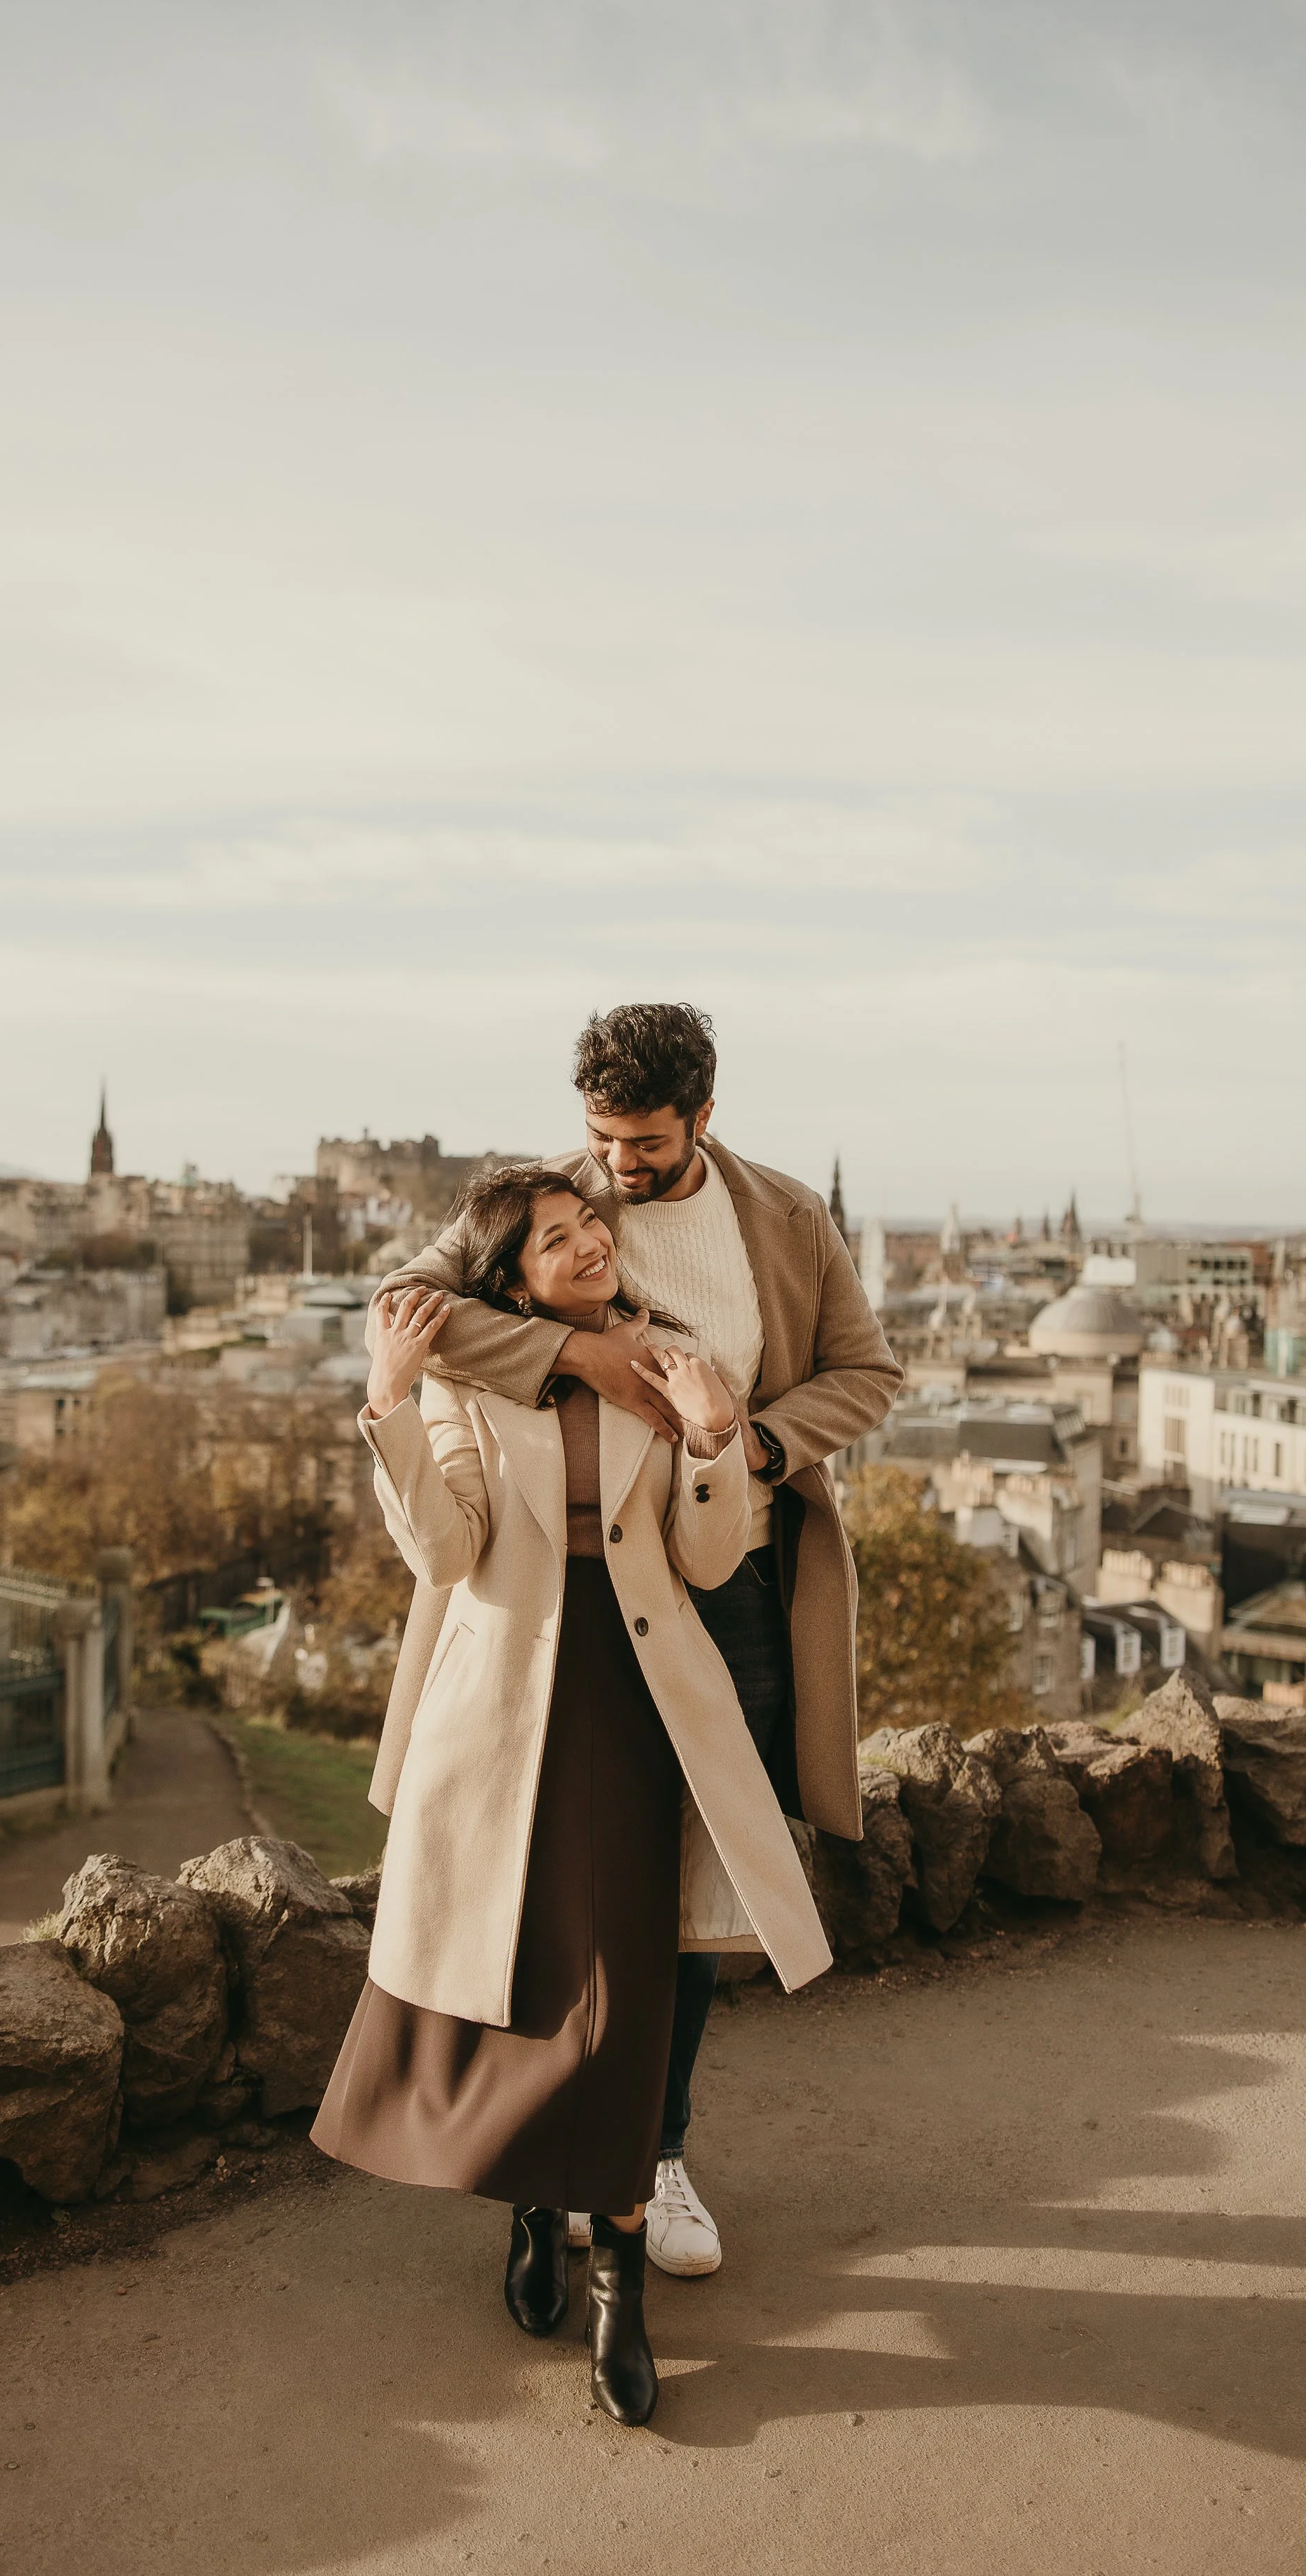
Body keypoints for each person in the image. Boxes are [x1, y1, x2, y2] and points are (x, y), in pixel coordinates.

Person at [366, 1003, 901, 2279]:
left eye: (645, 1145)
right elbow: (409, 1307)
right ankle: (544, 2158)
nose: (616, 1167)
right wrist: (585, 1357)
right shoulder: (554, 1199)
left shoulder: (787, 1219)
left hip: (736, 1569)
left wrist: (753, 1440)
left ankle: (653, 2155)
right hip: (569, 1579)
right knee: (550, 1875)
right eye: (601, 1135)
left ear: (703, 1118)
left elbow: (867, 1374)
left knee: (696, 1892)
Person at [311, 1168, 832, 2428]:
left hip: (646, 1694)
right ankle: (533, 2213)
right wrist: (387, 1404)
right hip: (510, 1703)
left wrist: (715, 1437)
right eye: (558, 1237)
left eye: (594, 1223)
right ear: (512, 1277)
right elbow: (447, 1550)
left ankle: (621, 2293)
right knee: (526, 1978)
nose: (594, 1238)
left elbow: (708, 1557)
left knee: (628, 1992)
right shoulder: (468, 1379)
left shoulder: (668, 1359)